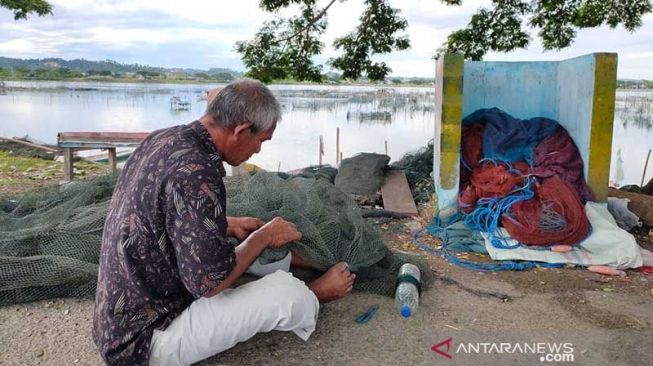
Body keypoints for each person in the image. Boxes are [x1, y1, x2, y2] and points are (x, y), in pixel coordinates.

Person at [92, 78, 355, 366]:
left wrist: (226, 223)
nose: (258, 151)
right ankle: (314, 294)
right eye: (261, 141)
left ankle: (294, 262)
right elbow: (210, 284)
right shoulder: (198, 172)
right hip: (146, 341)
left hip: (115, 325)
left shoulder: (164, 137)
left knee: (227, 238)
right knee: (283, 291)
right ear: (241, 130)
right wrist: (264, 237)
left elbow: (157, 209)